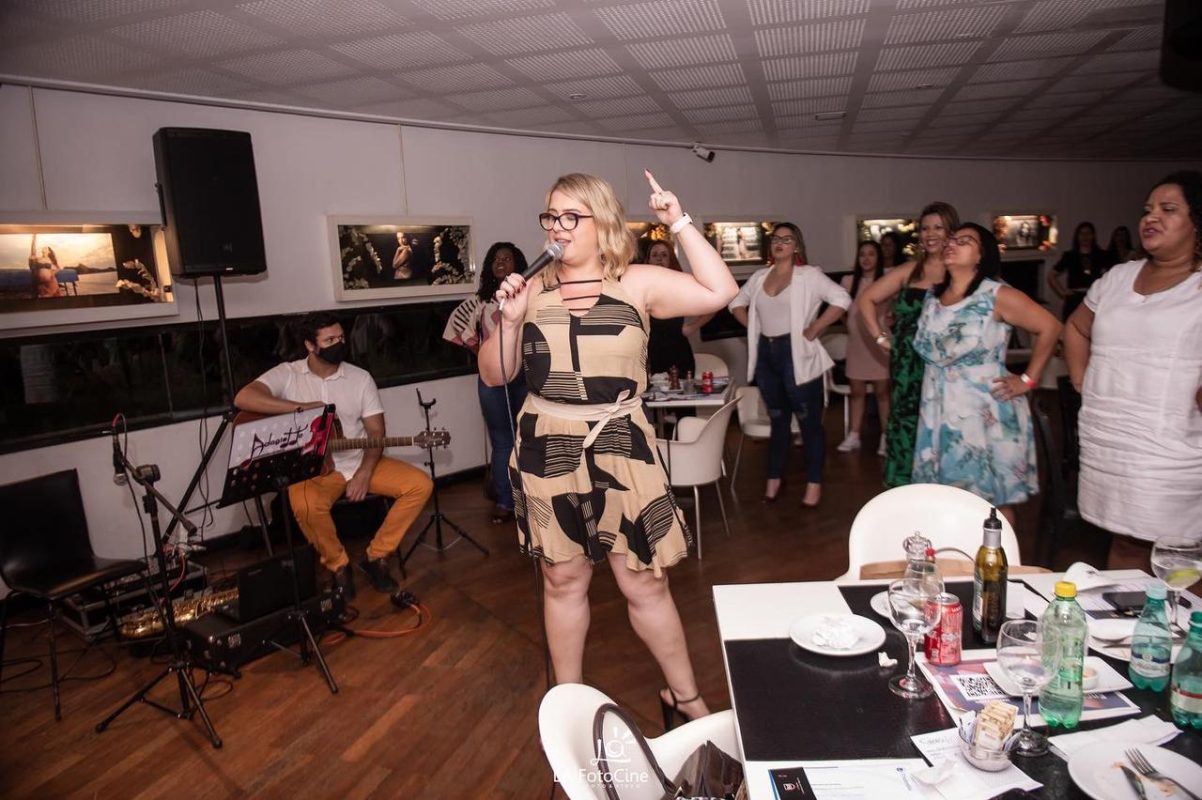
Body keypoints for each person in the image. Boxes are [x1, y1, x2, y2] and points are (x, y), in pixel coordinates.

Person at [480, 170, 736, 727]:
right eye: (551, 216)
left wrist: (679, 222)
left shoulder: (637, 281)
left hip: (623, 444)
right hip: (548, 442)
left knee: (645, 579)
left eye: (572, 216)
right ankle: (571, 708)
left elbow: (722, 291)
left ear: (603, 223)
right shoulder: (529, 291)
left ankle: (684, 697)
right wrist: (509, 318)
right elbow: (497, 374)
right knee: (562, 579)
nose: (558, 227)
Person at [234, 311, 433, 596]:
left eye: (341, 337)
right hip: (314, 470)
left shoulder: (360, 378)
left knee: (420, 485)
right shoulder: (288, 374)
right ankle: (339, 565)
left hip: (359, 460)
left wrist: (364, 474)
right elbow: (243, 397)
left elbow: (376, 434)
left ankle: (376, 557)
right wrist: (299, 409)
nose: (339, 343)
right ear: (310, 345)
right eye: (329, 340)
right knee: (304, 505)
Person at [1065, 170, 1202, 568]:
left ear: (1196, 221)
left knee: (1176, 554)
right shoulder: (1118, 278)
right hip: (1111, 439)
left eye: (1168, 209)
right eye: (1147, 210)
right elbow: (1075, 327)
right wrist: (1082, 381)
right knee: (1124, 541)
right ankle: (1124, 629)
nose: (1151, 217)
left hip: (1169, 445)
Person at [911, 223, 1062, 528]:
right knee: (946, 500)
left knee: (992, 501)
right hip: (938, 409)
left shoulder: (996, 295)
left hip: (984, 411)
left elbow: (1050, 327)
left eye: (964, 241)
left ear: (982, 256)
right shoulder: (933, 297)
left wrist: (1027, 380)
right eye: (952, 240)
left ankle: (1001, 566)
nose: (952, 244)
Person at [730, 223, 850, 507]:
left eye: (787, 239)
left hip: (796, 355)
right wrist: (753, 328)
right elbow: (735, 302)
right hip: (767, 357)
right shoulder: (760, 277)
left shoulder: (809, 276)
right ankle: (773, 480)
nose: (780, 243)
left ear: (797, 246)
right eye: (776, 239)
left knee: (810, 425)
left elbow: (842, 298)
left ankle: (814, 483)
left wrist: (817, 327)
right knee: (778, 421)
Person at [857, 201, 960, 488]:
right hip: (907, 369)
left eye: (938, 227)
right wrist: (880, 337)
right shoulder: (909, 271)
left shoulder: (962, 273)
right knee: (906, 427)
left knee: (944, 428)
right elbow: (866, 300)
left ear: (952, 231)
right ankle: (905, 494)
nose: (930, 234)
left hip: (946, 369)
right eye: (925, 228)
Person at [443, 242, 530, 524]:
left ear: (518, 262)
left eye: (507, 258)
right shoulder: (480, 301)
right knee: (502, 441)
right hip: (492, 382)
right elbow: (457, 325)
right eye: (495, 259)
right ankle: (505, 501)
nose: (501, 263)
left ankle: (532, 498)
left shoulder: (531, 293)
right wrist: (484, 356)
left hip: (526, 377)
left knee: (529, 438)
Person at [837, 240, 891, 455]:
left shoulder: (887, 281)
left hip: (879, 343)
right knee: (857, 391)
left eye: (871, 254)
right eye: (862, 255)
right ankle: (854, 435)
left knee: (882, 393)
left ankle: (886, 437)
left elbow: (896, 307)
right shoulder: (849, 281)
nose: (866, 259)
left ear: (878, 257)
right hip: (857, 344)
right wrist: (849, 324)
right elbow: (839, 309)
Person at [642, 240, 695, 377]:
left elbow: (714, 303)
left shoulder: (681, 282)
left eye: (664, 255)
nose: (659, 258)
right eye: (655, 255)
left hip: (678, 351)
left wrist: (692, 327)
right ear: (648, 260)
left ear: (671, 259)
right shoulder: (640, 285)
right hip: (651, 353)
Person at [1048, 221, 1114, 320]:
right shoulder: (1069, 256)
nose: (1085, 237)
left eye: (1088, 233)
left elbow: (1113, 275)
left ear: (1093, 236)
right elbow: (1051, 275)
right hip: (1075, 299)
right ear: (1077, 236)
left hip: (1095, 297)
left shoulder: (1102, 255)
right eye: (1082, 234)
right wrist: (1062, 292)